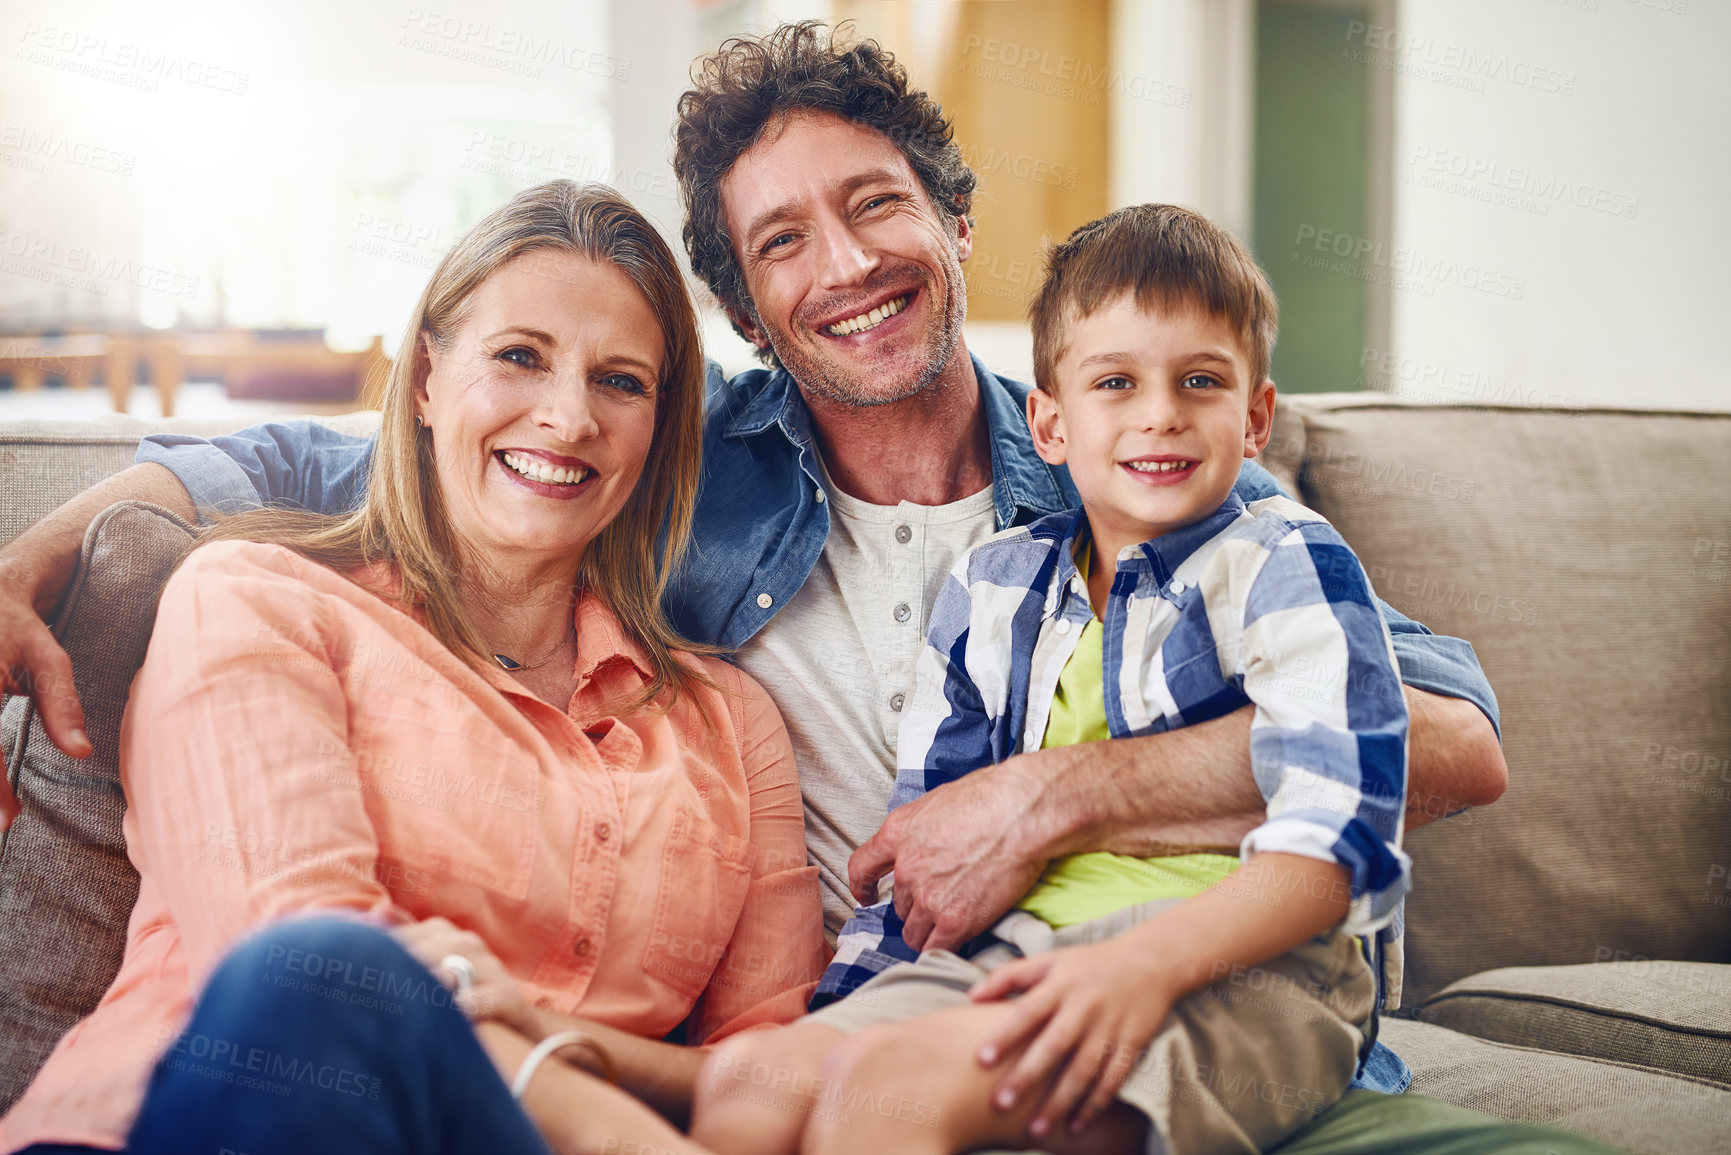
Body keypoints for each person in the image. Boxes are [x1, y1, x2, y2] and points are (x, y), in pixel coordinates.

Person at [1, 22, 1591, 1155]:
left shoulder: (1130, 461)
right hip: (872, 1020)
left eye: (876, 204)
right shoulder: (675, 465)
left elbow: (1439, 736)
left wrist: (1051, 799)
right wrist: (68, 528)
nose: (843, 263)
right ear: (745, 304)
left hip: (1111, 990)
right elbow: (371, 452)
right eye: (780, 242)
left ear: (955, 222)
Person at [0, 180, 827, 1154]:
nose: (568, 418)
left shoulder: (728, 724)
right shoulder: (256, 602)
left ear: (659, 427)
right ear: (428, 380)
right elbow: (315, 985)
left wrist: (548, 1039)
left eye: (621, 381)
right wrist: (603, 1124)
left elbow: (773, 1068)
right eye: (520, 357)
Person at [693, 203, 1408, 1155]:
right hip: (1012, 948)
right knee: (754, 1083)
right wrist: (855, 1007)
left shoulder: (1283, 564)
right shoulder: (995, 587)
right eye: (1116, 381)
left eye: (1200, 380)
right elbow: (927, 861)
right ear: (1050, 423)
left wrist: (1144, 966)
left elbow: (1341, 843)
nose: (1160, 412)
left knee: (887, 1097)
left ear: (1255, 417)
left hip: (1237, 960)